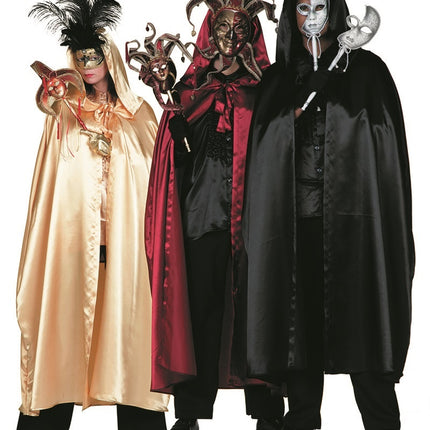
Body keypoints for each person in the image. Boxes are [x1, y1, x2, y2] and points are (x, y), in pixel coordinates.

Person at [243, 0, 415, 429]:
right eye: (303, 7)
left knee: (365, 328)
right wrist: (297, 108)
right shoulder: (279, 78)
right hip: (296, 223)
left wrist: (337, 99)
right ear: (292, 16)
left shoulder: (368, 72)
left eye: (320, 5)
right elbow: (263, 150)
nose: (313, 16)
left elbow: (384, 144)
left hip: (356, 223)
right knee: (299, 337)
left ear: (335, 12)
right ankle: (303, 419)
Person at [16, 1, 169, 429]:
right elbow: (50, 188)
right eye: (79, 58)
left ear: (110, 58)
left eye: (94, 56)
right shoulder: (64, 115)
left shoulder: (139, 115)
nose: (87, 65)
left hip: (128, 255)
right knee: (62, 342)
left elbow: (156, 182)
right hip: (71, 251)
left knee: (128, 345)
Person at [145, 1, 285, 429]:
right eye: (223, 27)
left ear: (251, 33)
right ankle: (190, 412)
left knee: (258, 309)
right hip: (202, 214)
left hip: (255, 219)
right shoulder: (190, 90)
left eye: (240, 28)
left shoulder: (264, 89)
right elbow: (176, 163)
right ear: (210, 31)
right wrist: (178, 128)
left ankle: (266, 409)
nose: (231, 36)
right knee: (201, 310)